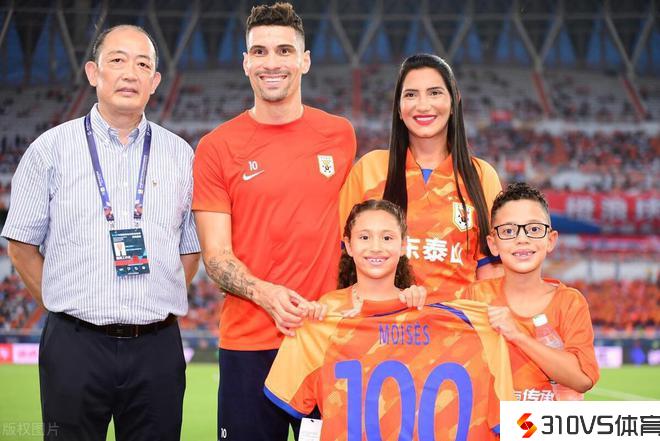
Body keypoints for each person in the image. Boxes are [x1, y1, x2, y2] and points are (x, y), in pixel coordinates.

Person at [2, 25, 200, 441]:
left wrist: (153, 299)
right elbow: (21, 246)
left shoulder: (181, 155)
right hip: (75, 345)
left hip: (157, 346)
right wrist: (64, 304)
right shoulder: (49, 150)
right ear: (93, 72)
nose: (130, 73)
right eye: (117, 60)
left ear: (155, 81)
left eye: (142, 64)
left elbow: (190, 248)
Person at [191, 3, 357, 440]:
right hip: (248, 346)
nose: (272, 63)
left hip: (323, 341)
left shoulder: (339, 135)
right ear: (245, 62)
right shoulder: (216, 147)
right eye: (259, 52)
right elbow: (216, 257)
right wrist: (266, 294)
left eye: (284, 50)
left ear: (305, 60)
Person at [265, 199, 514, 440]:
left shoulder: (424, 307)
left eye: (387, 237)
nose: (376, 247)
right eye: (364, 237)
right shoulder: (326, 313)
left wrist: (494, 321)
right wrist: (309, 321)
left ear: (404, 245)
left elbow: (513, 422)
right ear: (348, 245)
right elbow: (303, 410)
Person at [340, 53, 502, 300]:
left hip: (457, 321)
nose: (423, 105)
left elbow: (490, 269)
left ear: (454, 101)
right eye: (411, 95)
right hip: (383, 321)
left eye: (435, 93)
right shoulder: (370, 169)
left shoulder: (481, 176)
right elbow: (342, 255)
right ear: (398, 107)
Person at [460, 182, 599, 400]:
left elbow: (582, 379)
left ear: (550, 240)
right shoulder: (476, 297)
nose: (522, 239)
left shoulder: (570, 302)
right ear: (493, 244)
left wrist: (517, 335)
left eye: (534, 229)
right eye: (508, 231)